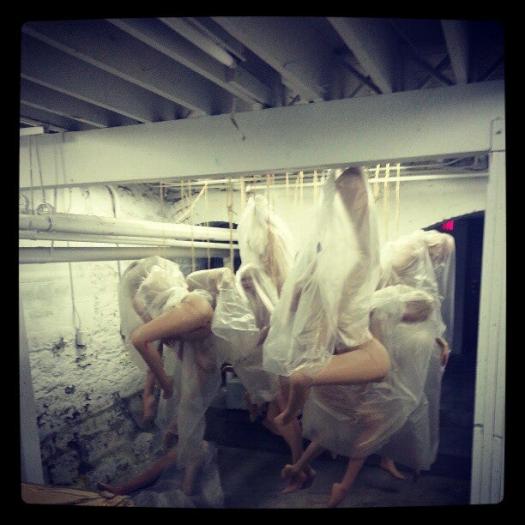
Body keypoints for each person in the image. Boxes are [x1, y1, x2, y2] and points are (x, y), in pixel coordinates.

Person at [263, 167, 390, 428]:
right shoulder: (354, 258)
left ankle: (298, 410)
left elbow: (297, 302)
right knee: (377, 377)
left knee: (348, 415)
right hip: (355, 343)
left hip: (342, 343)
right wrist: (310, 359)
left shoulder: (322, 257)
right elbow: (322, 306)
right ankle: (300, 391)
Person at [101, 258, 223, 499]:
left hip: (198, 363)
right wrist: (149, 394)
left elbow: (142, 340)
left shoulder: (186, 300)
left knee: (186, 429)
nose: (142, 308)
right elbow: (155, 348)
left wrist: (165, 387)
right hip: (194, 364)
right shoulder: (170, 308)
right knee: (186, 434)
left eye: (143, 295)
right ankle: (182, 487)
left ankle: (178, 488)